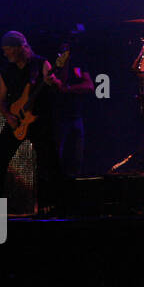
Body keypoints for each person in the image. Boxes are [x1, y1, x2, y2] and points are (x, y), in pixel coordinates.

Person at [0, 31, 64, 216]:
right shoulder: (6, 71)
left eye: (8, 50)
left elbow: (58, 87)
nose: (5, 54)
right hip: (17, 120)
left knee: (49, 163)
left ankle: (50, 205)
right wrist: (8, 116)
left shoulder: (41, 64)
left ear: (19, 48)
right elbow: (1, 100)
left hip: (40, 120)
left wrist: (53, 81)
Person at [54, 25, 94, 178]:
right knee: (58, 156)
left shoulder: (79, 62)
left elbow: (89, 86)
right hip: (59, 116)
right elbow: (59, 85)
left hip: (76, 115)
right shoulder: (54, 63)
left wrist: (69, 88)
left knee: (77, 159)